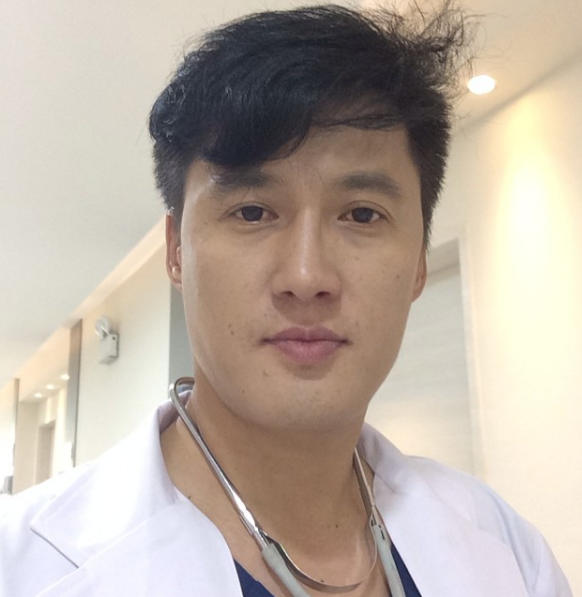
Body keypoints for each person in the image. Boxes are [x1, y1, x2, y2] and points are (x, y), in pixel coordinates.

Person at [0, 3, 573, 596]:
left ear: (419, 264)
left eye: (362, 214)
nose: (306, 276)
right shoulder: (21, 569)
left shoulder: (510, 553)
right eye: (252, 212)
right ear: (176, 252)